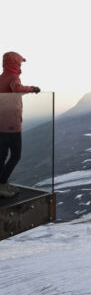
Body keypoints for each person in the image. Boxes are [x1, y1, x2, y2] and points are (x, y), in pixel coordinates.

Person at [0, 52, 40, 198]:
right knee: (16, 155)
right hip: (12, 124)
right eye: (20, 62)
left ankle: (2, 183)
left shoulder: (2, 77)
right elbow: (17, 89)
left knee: (2, 156)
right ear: (15, 63)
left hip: (1, 123)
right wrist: (33, 89)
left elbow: (11, 93)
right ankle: (2, 183)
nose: (21, 65)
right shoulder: (13, 77)